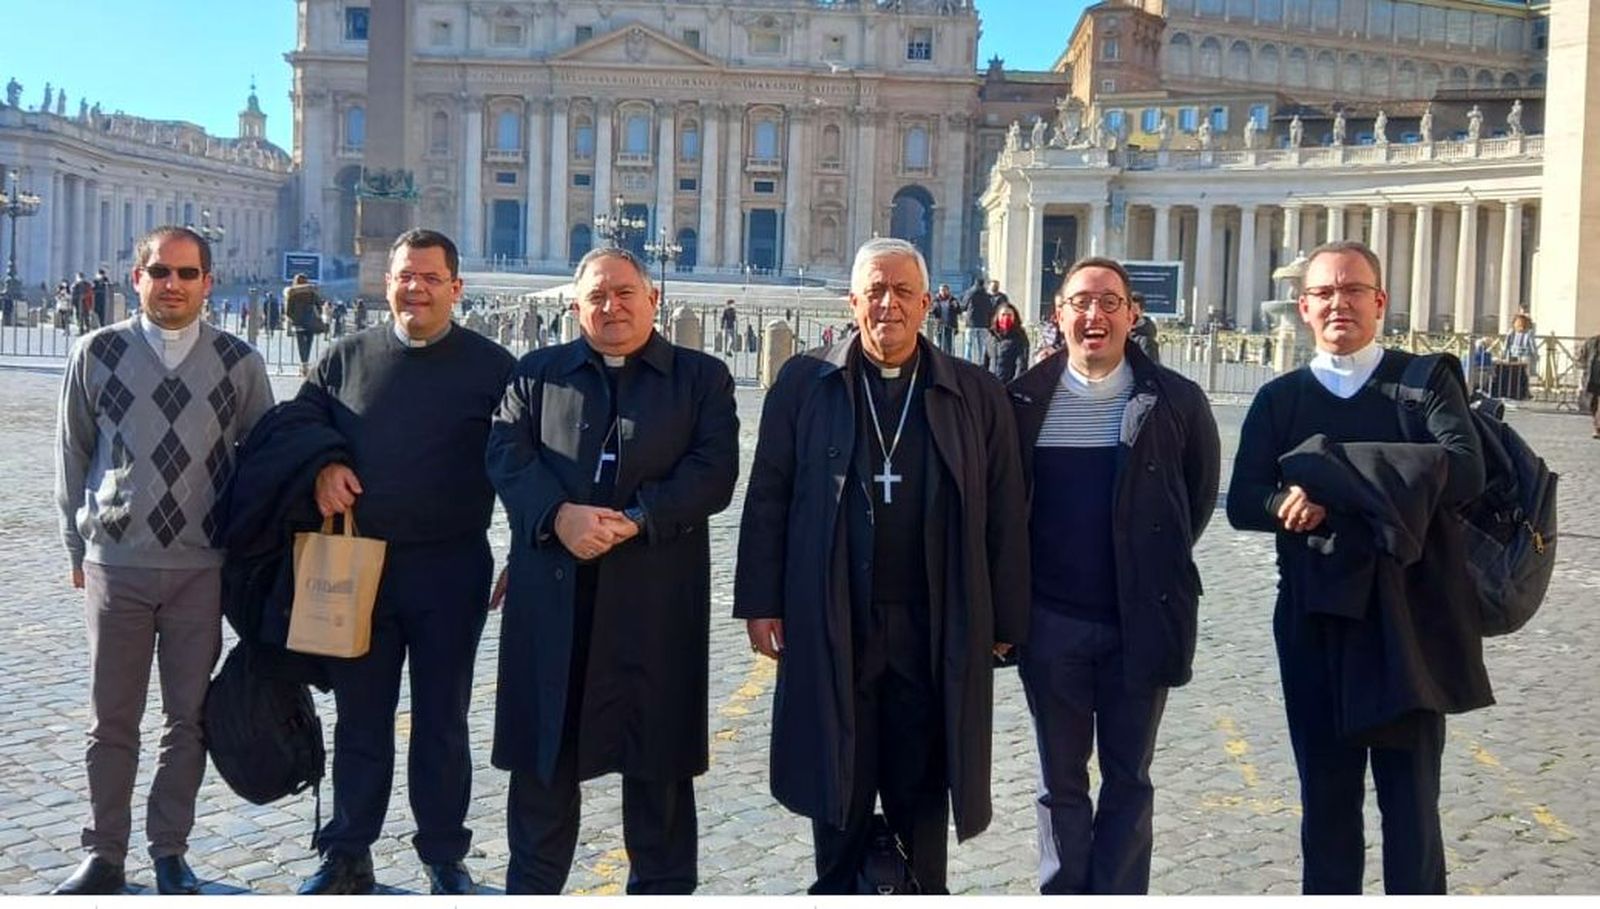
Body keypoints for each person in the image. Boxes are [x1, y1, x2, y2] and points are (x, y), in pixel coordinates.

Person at [735, 237, 1029, 894]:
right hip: (834, 614)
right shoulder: (803, 385)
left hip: (934, 622)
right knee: (837, 777)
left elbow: (1007, 511)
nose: (887, 304)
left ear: (927, 303)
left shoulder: (975, 393)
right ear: (853, 300)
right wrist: (760, 600)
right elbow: (769, 495)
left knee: (922, 784)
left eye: (902, 291)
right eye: (874, 289)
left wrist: (1004, 617)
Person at [1225, 240, 1491, 894]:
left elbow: (1465, 470)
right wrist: (1280, 499)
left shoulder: (1425, 381)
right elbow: (1242, 500)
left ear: (1380, 302)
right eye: (1325, 292)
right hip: (1315, 621)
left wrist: (1331, 471)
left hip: (1409, 617)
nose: (1338, 303)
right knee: (1327, 808)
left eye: (1353, 290)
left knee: (1412, 812)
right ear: (1303, 306)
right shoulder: (1279, 398)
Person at [486, 247, 739, 894]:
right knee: (543, 778)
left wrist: (639, 517)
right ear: (576, 307)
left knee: (657, 782)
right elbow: (506, 455)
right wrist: (557, 516)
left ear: (654, 299)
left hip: (653, 603)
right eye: (597, 296)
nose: (612, 306)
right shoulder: (536, 374)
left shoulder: (702, 379)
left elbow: (713, 472)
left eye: (626, 292)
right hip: (555, 600)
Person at [53, 226, 273, 895]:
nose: (171, 284)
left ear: (209, 281)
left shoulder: (240, 361)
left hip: (200, 566)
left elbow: (263, 460)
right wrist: (74, 544)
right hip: (117, 561)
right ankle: (104, 852)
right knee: (111, 717)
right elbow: (71, 454)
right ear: (136, 276)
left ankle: (169, 848)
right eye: (159, 272)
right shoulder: (96, 352)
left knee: (189, 716)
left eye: (186, 273)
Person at [295, 229, 516, 895]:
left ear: (456, 287)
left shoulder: (494, 366)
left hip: (451, 567)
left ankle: (444, 853)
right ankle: (346, 851)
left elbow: (523, 460)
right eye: (404, 276)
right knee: (359, 717)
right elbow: (298, 429)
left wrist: (527, 548)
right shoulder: (341, 357)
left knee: (442, 717)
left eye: (429, 276)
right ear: (387, 282)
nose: (414, 287)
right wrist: (322, 466)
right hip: (357, 564)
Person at [1007, 257, 1219, 894]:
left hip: (1140, 619)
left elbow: (1195, 498)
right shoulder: (1020, 401)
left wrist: (1147, 565)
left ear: (1132, 313)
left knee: (1130, 777)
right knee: (1059, 782)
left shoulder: (1177, 400)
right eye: (1079, 303)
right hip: (1051, 624)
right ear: (1058, 313)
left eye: (1108, 302)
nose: (1093, 316)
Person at [980, 300, 1030, 383]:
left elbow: (1021, 365)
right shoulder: (991, 336)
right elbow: (984, 363)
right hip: (991, 384)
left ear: (1014, 317)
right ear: (998, 317)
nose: (1006, 318)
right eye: (1003, 315)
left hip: (1008, 386)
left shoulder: (1020, 338)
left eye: (1009, 315)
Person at [284, 273, 323, 376]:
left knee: (301, 345)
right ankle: (306, 365)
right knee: (309, 343)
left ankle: (303, 365)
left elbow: (288, 310)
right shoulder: (311, 292)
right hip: (310, 322)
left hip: (298, 323)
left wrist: (293, 318)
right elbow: (319, 306)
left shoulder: (292, 293)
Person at [1501, 312, 1538, 399]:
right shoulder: (1517, 332)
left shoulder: (1526, 332)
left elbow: (1506, 344)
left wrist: (1504, 353)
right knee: (1521, 374)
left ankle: (1520, 391)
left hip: (1519, 355)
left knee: (1520, 374)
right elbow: (1507, 343)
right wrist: (1535, 355)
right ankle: (1520, 391)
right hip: (1519, 355)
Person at [958, 276, 993, 363]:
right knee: (982, 345)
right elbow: (990, 308)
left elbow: (963, 306)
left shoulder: (970, 293)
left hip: (971, 323)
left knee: (968, 345)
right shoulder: (986, 295)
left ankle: (967, 362)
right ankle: (981, 362)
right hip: (983, 323)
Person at [1127, 291, 1161, 365]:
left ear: (1142, 311)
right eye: (1128, 309)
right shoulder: (1122, 334)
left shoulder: (1146, 342)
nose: (1130, 314)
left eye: (1134, 310)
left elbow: (1151, 368)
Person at [929, 282, 962, 354]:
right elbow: (932, 312)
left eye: (945, 290)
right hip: (939, 326)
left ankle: (950, 360)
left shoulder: (953, 300)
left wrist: (956, 306)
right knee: (939, 345)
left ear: (948, 291)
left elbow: (959, 311)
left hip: (950, 326)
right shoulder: (936, 300)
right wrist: (934, 314)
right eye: (941, 290)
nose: (943, 292)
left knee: (950, 346)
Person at [1580, 333, 1600, 440]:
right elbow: (1582, 358)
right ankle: (1596, 425)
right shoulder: (1591, 342)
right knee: (1593, 404)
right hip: (1593, 378)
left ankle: (1598, 428)